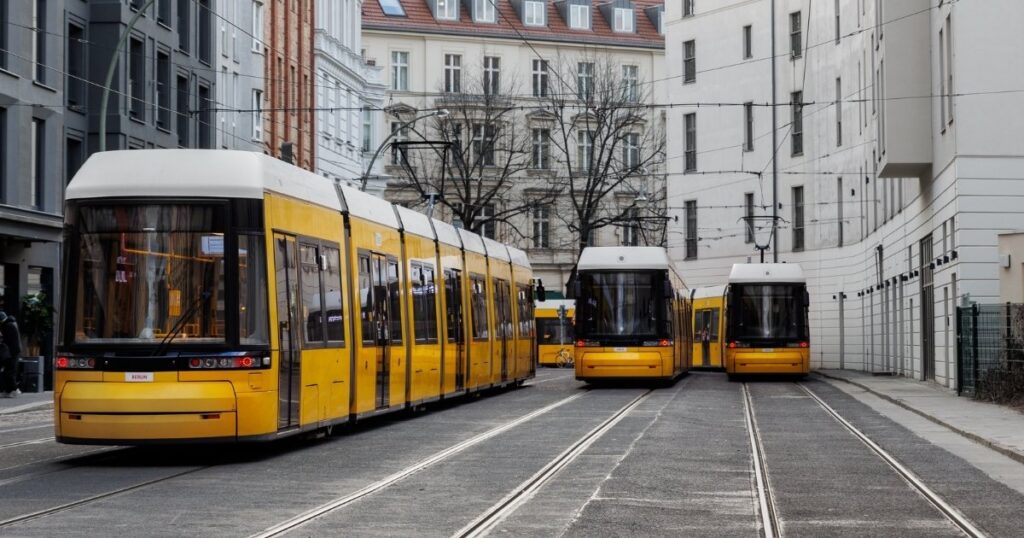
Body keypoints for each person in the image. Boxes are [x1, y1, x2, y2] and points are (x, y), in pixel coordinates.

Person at [0, 311, 21, 398]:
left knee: (9, 371)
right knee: (9, 371)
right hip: (14, 351)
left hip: (11, 352)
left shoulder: (7, 326)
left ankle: (13, 390)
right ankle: (10, 390)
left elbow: (7, 340)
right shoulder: (12, 323)